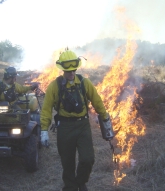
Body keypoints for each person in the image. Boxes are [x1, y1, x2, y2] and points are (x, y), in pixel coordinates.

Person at [40, 49, 114, 191]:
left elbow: (97, 101)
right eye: (68, 71)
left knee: (88, 159)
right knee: (67, 163)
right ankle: (70, 186)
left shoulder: (84, 83)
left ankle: (80, 181)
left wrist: (104, 117)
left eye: (74, 70)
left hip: (83, 125)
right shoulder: (54, 86)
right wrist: (44, 130)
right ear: (62, 70)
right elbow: (46, 109)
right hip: (65, 127)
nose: (72, 73)